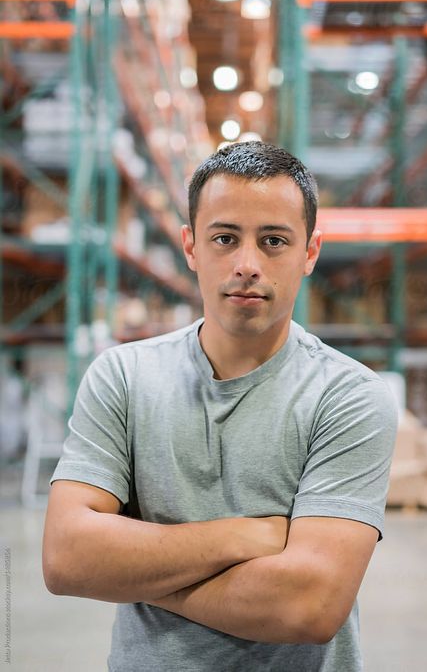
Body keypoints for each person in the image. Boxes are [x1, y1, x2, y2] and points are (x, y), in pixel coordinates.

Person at [43, 141, 397, 671]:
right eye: (225, 238)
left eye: (273, 241)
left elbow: (308, 605)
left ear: (310, 252)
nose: (247, 265)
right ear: (191, 247)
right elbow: (67, 558)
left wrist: (131, 572)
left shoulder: (347, 396)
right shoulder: (123, 376)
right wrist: (247, 535)